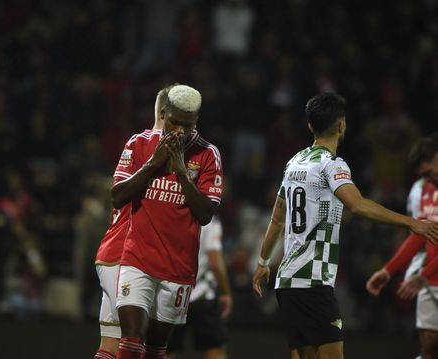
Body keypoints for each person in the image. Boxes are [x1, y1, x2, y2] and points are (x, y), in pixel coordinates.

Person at [251, 92, 438, 359]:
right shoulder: (332, 164)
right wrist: (410, 222)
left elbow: (277, 218)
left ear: (310, 126)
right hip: (313, 282)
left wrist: (262, 262)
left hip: (287, 282)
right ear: (342, 125)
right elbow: (357, 205)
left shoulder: (294, 162)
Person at [111, 84, 224, 359]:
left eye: (187, 125)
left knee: (157, 348)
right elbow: (117, 196)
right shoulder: (139, 143)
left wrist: (183, 174)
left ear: (196, 121)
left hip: (178, 267)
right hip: (137, 258)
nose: (180, 132)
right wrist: (153, 163)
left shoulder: (208, 154)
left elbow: (206, 214)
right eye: (174, 122)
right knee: (131, 337)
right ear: (164, 113)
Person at [93, 85, 175, 359]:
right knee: (136, 346)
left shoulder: (135, 143)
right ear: (166, 112)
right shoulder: (154, 144)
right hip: (126, 258)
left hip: (111, 254)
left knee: (110, 347)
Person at [366, 133, 438, 359]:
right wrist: (388, 270)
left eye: (429, 171)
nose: (427, 178)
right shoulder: (427, 189)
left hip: (428, 277)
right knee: (428, 348)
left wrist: (423, 275)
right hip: (431, 281)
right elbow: (421, 233)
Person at [166, 215, 232, 359]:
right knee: (214, 349)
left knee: (165, 349)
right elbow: (215, 261)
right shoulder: (210, 220)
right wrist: (226, 292)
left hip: (173, 292)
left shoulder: (173, 213)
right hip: (202, 295)